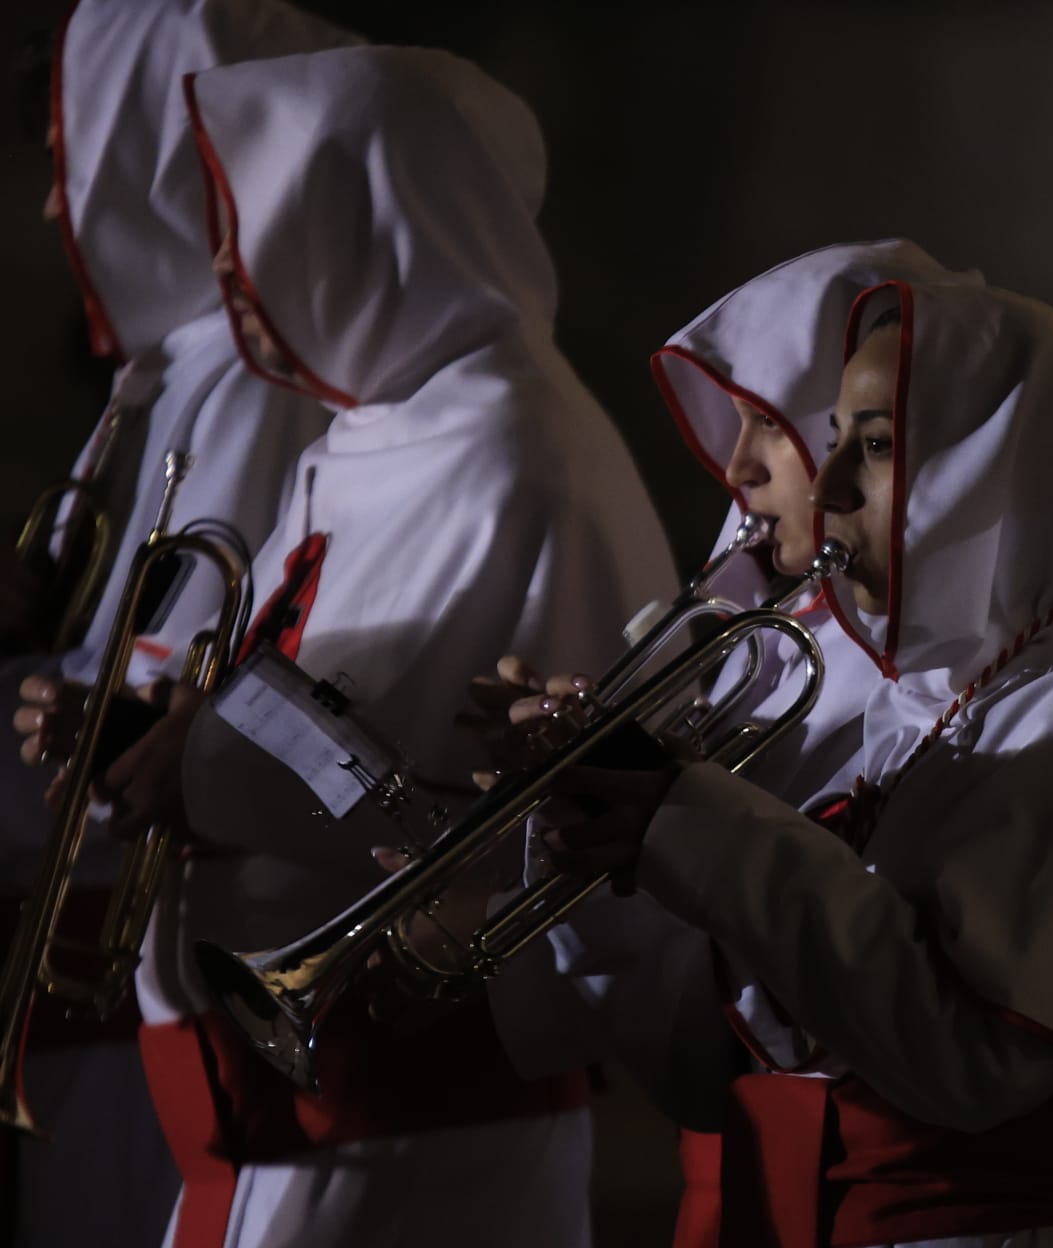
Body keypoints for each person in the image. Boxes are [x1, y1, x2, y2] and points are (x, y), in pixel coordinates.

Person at [19, 42, 676, 1248]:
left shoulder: (512, 450)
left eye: (254, 226)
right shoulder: (380, 432)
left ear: (377, 224)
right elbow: (319, 700)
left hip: (412, 1120)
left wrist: (196, 767)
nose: (230, 269)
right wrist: (147, 736)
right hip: (272, 1113)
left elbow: (444, 787)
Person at [514, 259, 1053, 1246]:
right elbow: (708, 1076)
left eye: (872, 446)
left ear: (996, 463)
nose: (824, 489)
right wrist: (610, 856)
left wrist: (704, 832)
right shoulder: (904, 687)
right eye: (829, 444)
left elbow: (965, 1069)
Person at [1, 3, 356, 1245]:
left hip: (141, 978)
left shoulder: (248, 374)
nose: (57, 209)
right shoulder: (173, 372)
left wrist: (51, 698)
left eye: (72, 158)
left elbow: (137, 722)